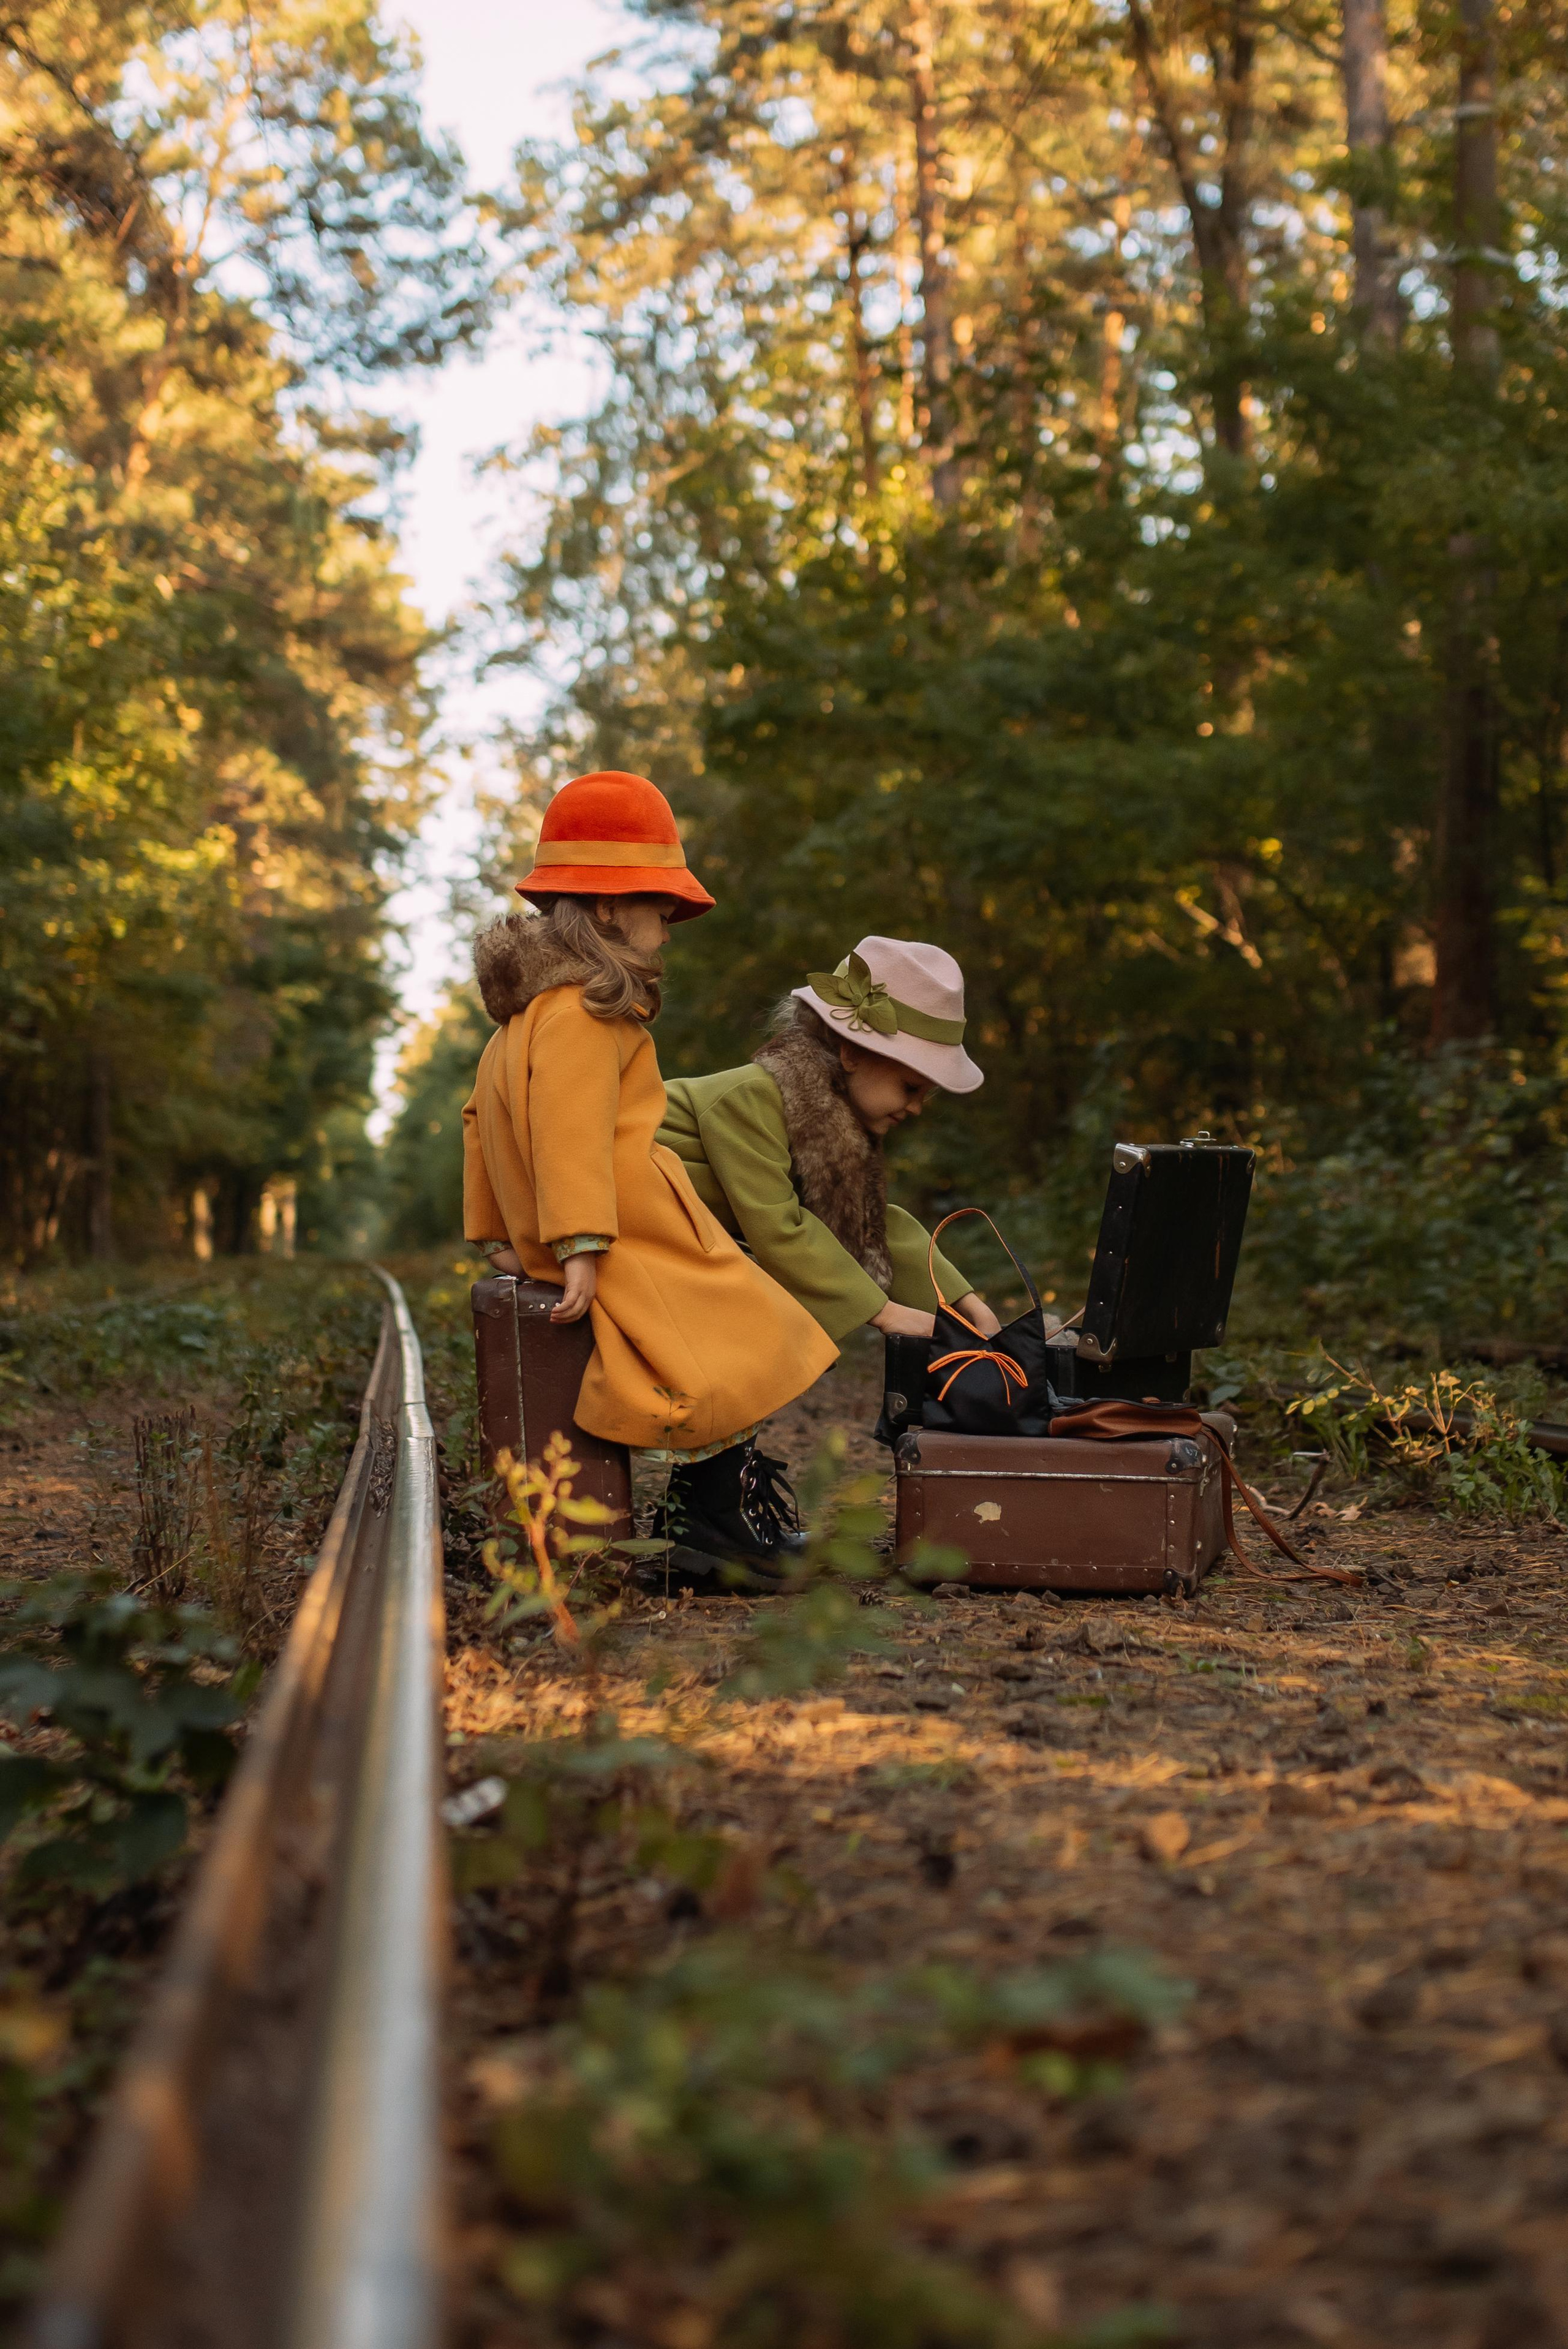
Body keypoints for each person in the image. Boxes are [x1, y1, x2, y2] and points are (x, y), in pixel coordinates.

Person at [462, 770, 838, 1575]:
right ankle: (721, 1520)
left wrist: (497, 1235)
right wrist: (579, 1241)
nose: (666, 931)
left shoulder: (525, 1016)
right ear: (607, 909)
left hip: (611, 1224)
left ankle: (715, 1507)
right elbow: (567, 1130)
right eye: (658, 911)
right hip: (624, 1229)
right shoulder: (581, 1016)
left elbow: (478, 1124)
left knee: (726, 1329)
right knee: (738, 1331)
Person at [657, 937, 1004, 1349]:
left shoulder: (832, 1121)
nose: (916, 1108)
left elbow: (870, 1220)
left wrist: (964, 1303)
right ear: (852, 1054)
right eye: (910, 1087)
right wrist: (887, 1313)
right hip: (624, 1219)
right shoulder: (751, 1098)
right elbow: (780, 1230)